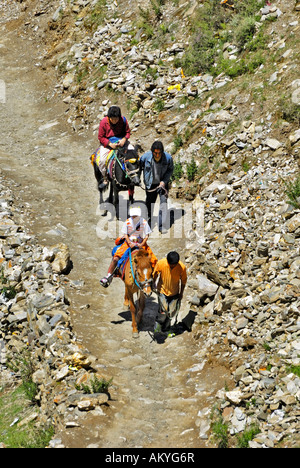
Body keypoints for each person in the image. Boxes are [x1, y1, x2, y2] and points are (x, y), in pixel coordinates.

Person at [100, 206, 157, 287]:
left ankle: (153, 280)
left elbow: (147, 235)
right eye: (132, 216)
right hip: (128, 243)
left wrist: (141, 244)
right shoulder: (127, 222)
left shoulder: (143, 222)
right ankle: (109, 275)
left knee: (153, 260)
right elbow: (125, 235)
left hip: (141, 243)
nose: (134, 217)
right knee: (116, 258)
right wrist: (130, 243)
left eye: (135, 216)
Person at [139, 141, 174, 233]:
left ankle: (161, 226)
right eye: (155, 153)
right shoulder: (145, 157)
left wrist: (164, 182)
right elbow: (139, 167)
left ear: (162, 152)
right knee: (150, 203)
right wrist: (138, 179)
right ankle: (148, 222)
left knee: (163, 203)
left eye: (159, 153)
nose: (157, 155)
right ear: (152, 152)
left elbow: (170, 170)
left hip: (162, 185)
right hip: (150, 185)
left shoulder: (168, 158)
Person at [153, 251, 187, 334]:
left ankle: (166, 329)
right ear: (167, 261)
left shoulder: (181, 267)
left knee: (171, 313)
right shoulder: (161, 263)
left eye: (174, 265)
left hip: (175, 293)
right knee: (163, 311)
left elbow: (183, 281)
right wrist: (154, 283)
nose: (172, 266)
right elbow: (155, 274)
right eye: (170, 264)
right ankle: (158, 325)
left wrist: (181, 293)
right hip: (162, 291)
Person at [97, 106, 131, 188]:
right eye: (113, 119)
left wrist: (124, 139)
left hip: (121, 140)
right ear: (109, 117)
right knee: (102, 160)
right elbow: (100, 137)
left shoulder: (123, 120)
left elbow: (128, 132)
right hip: (108, 142)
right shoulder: (103, 122)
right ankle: (105, 178)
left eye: (117, 119)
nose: (115, 121)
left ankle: (133, 175)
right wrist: (109, 144)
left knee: (133, 152)